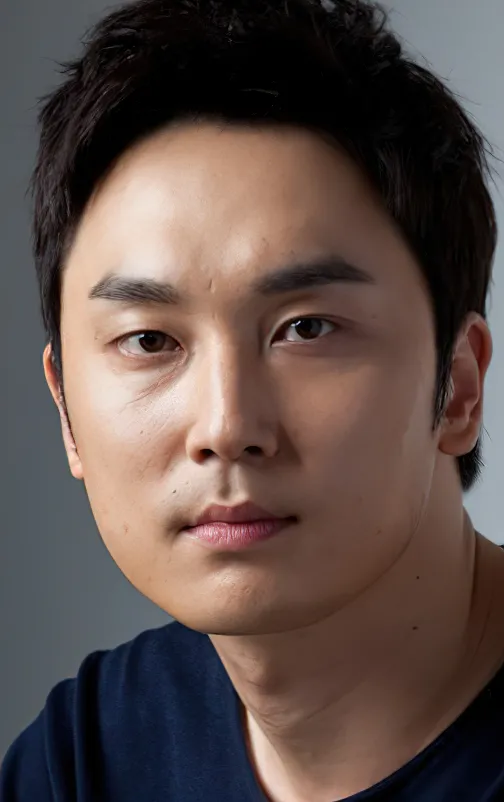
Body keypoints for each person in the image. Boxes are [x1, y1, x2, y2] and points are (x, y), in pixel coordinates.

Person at [1, 0, 503, 799]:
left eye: (307, 328)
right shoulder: (87, 755)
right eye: (149, 341)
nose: (226, 426)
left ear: (459, 387)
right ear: (65, 412)